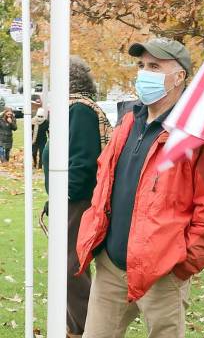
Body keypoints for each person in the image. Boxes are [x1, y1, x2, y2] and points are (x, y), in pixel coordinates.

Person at [76, 38, 204, 338]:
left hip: (163, 271)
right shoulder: (128, 120)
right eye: (141, 66)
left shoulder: (200, 133)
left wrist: (183, 265)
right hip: (112, 265)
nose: (143, 73)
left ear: (179, 77)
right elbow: (105, 180)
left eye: (154, 66)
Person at [43, 56, 112, 338]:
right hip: (69, 201)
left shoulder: (80, 110)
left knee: (70, 268)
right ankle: (75, 327)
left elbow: (83, 164)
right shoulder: (70, 108)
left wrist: (62, 198)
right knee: (68, 268)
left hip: (78, 202)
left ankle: (85, 330)